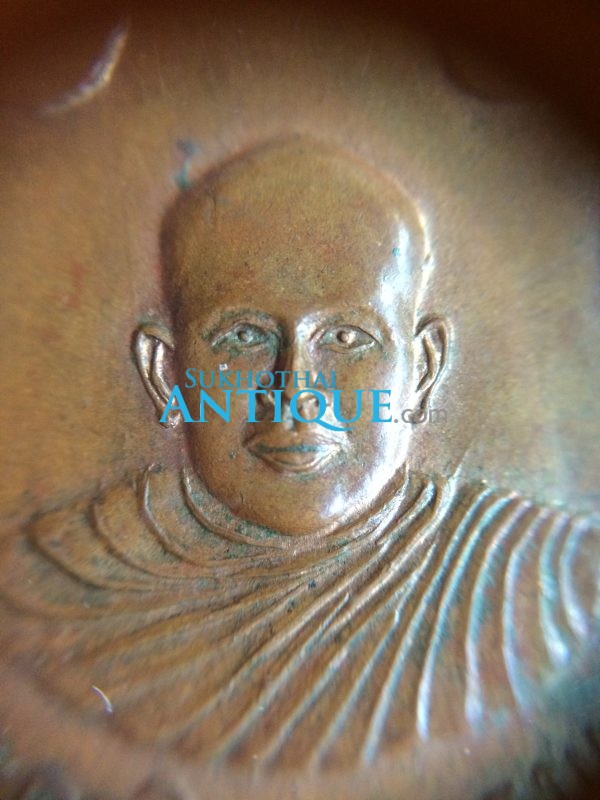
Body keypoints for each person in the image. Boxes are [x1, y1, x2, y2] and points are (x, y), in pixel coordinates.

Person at [0, 137, 597, 772]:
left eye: (346, 337)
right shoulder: (39, 598)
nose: (294, 394)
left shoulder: (556, 588)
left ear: (422, 371)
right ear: (166, 372)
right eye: (245, 336)